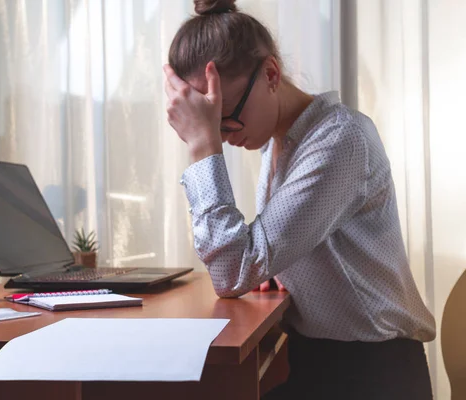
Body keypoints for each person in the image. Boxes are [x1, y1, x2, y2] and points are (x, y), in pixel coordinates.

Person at [163, 0, 436, 399]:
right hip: (318, 360)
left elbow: (232, 270)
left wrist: (203, 149)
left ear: (271, 74)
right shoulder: (279, 144)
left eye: (225, 117)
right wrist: (285, 268)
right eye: (207, 121)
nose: (221, 135)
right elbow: (261, 258)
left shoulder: (340, 140)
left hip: (374, 374)